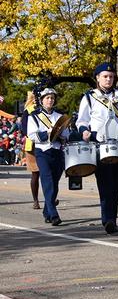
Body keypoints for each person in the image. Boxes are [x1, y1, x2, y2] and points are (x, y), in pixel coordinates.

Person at [76, 62, 118, 234]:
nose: (108, 79)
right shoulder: (89, 97)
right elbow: (82, 120)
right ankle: (107, 219)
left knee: (116, 183)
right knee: (104, 182)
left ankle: (112, 219)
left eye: (111, 77)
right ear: (98, 78)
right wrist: (84, 131)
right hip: (100, 145)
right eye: (105, 76)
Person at [26, 88, 69, 225]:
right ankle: (54, 214)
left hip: (57, 151)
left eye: (52, 98)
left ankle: (46, 212)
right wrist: (48, 133)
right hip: (42, 151)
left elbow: (67, 134)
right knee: (47, 181)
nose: (50, 100)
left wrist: (61, 134)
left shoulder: (59, 115)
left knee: (54, 184)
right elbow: (32, 135)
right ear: (41, 100)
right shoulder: (34, 116)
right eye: (47, 98)